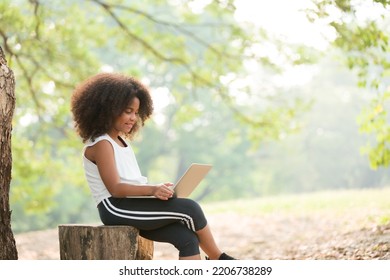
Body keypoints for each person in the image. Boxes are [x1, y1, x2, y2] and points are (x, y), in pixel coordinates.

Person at [70, 72, 236, 260]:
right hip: (115, 208)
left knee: (187, 238)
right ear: (108, 109)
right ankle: (219, 259)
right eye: (127, 111)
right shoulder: (101, 144)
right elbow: (115, 189)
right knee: (190, 209)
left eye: (136, 112)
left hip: (133, 205)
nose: (133, 118)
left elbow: (131, 182)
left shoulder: (121, 142)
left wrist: (159, 190)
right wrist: (152, 189)